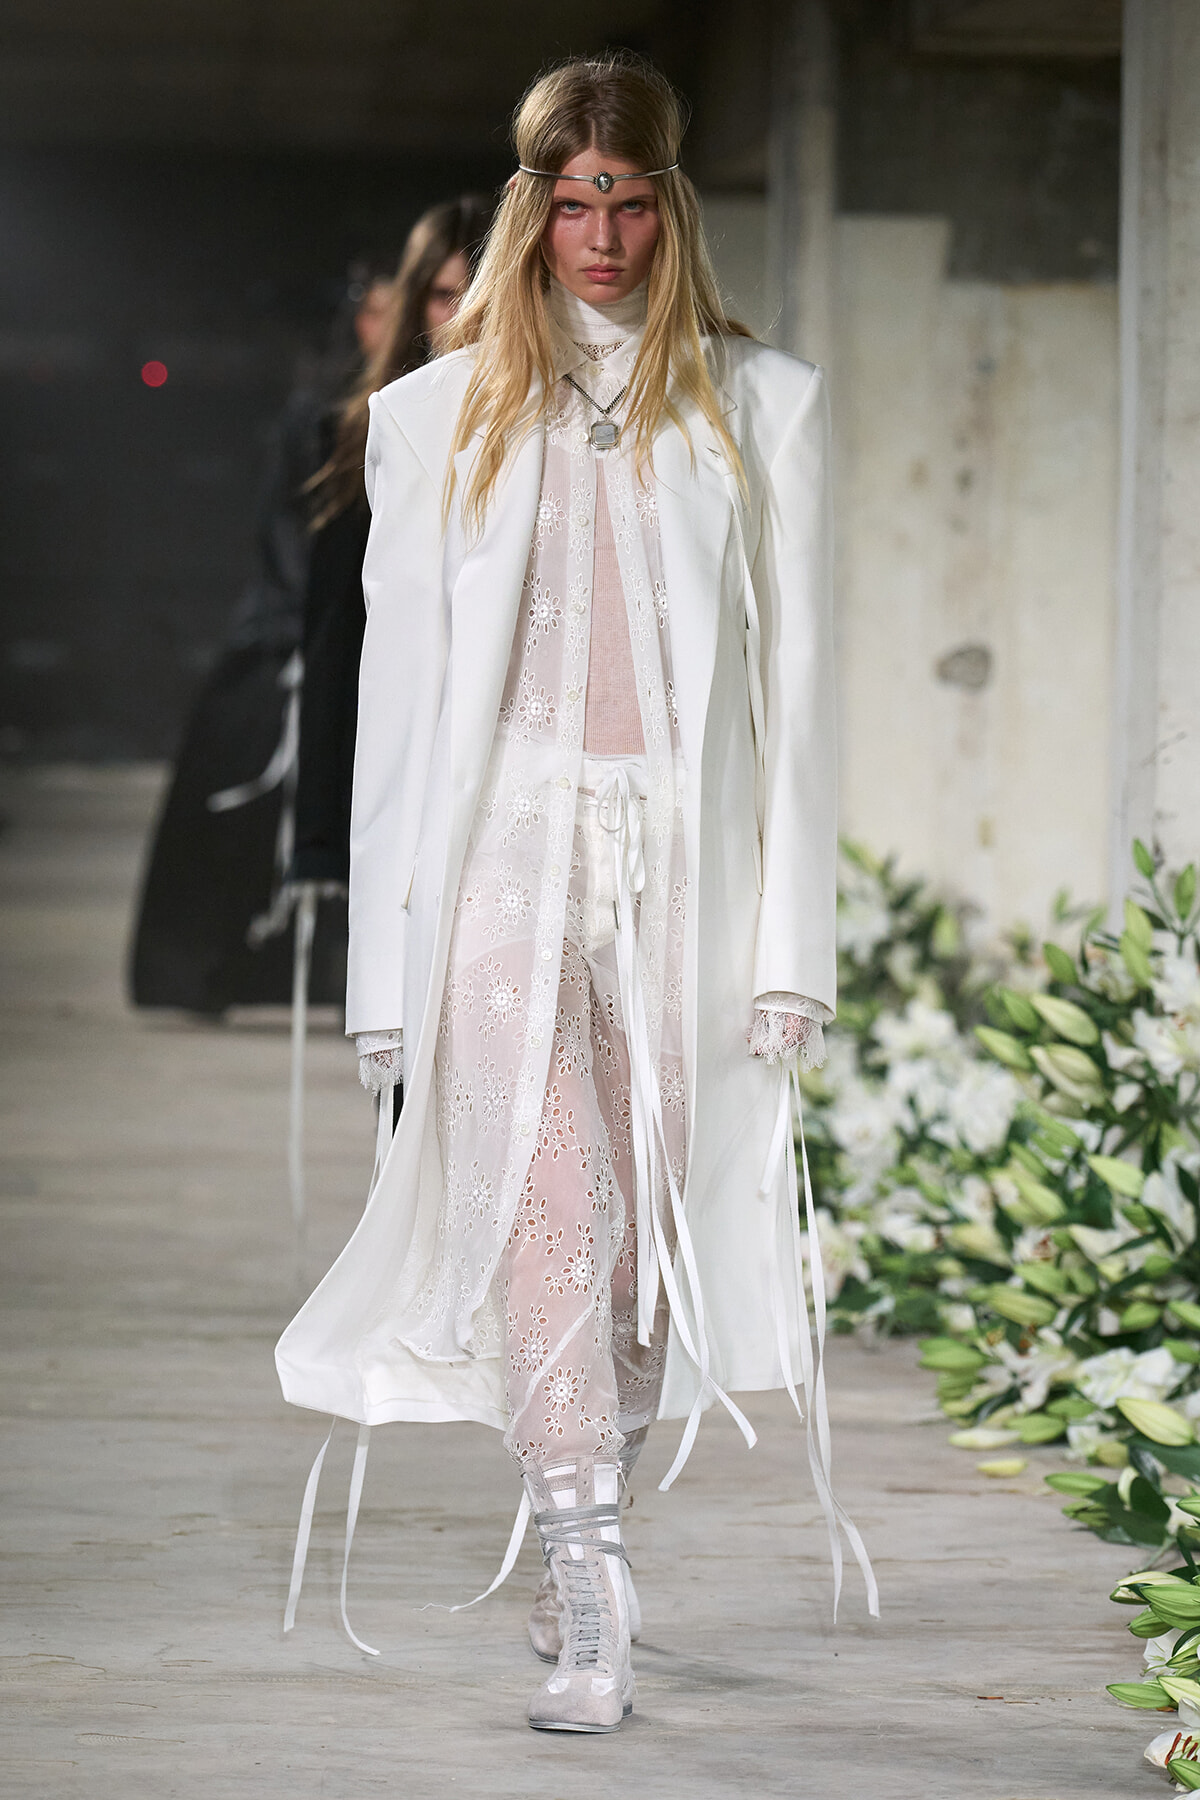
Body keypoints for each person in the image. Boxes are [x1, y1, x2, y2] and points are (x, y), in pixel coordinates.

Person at [276, 52, 875, 1734]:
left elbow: (802, 702)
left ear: (666, 209)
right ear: (530, 208)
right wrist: (380, 989)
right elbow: (397, 709)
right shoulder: (432, 416)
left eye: (626, 199)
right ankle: (593, 1569)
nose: (597, 230)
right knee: (547, 1208)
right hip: (502, 864)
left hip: (677, 870)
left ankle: (574, 1522)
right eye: (568, 198)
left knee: (636, 1255)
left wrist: (790, 949)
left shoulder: (767, 404)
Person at [127, 262, 396, 1015]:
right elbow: (292, 532)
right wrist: (309, 629)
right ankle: (208, 969)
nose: (390, 326)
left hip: (372, 631)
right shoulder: (319, 411)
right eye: (377, 313)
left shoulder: (424, 403)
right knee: (246, 787)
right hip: (299, 626)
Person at [291, 198, 495, 894]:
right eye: (444, 294)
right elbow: (335, 635)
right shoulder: (363, 434)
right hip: (399, 739)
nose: (466, 314)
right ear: (414, 303)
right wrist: (319, 831)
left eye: (483, 292)